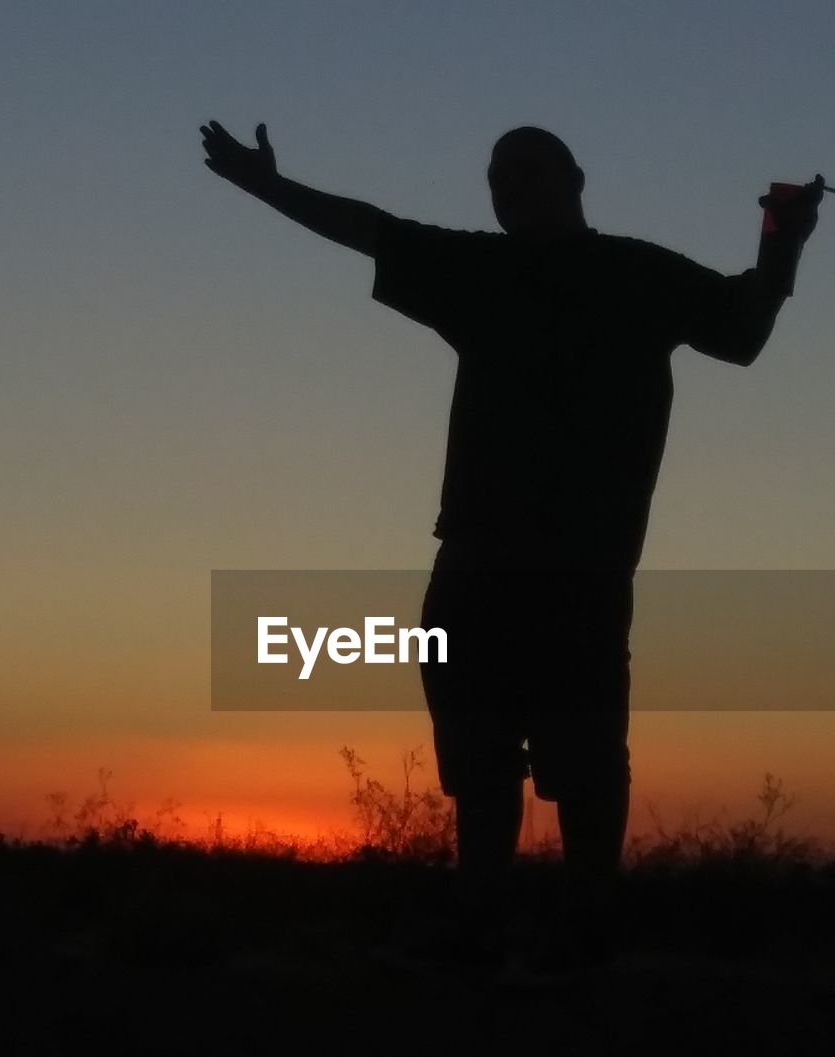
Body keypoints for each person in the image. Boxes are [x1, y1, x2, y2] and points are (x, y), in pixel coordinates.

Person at [200, 118, 823, 975]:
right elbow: (369, 228)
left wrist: (782, 242)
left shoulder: (637, 273)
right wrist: (266, 187)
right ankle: (483, 934)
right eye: (499, 176)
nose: (510, 188)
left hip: (582, 571)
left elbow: (743, 332)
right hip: (476, 565)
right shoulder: (481, 271)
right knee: (483, 768)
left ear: (575, 179)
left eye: (527, 172)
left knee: (588, 766)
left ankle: (585, 941)